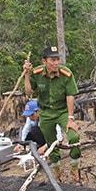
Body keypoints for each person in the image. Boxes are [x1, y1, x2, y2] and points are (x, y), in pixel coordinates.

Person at [23, 46, 81, 182]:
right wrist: (26, 74)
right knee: (51, 142)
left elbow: (70, 96)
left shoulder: (66, 74)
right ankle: (56, 170)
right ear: (44, 61)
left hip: (62, 112)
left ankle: (75, 169)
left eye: (58, 59)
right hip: (46, 113)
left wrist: (70, 118)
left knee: (74, 137)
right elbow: (29, 92)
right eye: (52, 60)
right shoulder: (36, 73)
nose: (56, 63)